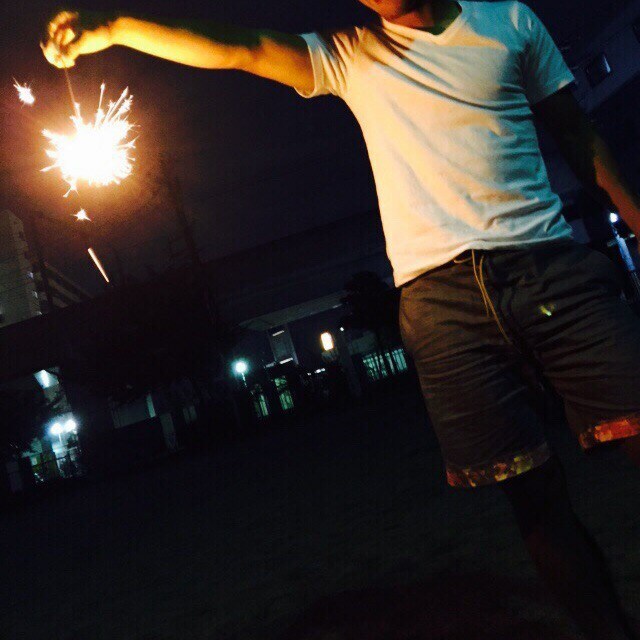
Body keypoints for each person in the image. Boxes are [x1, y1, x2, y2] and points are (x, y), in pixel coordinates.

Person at [43, 2, 640, 637]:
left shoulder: (509, 21)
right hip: (442, 308)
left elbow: (576, 134)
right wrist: (118, 27)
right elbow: (243, 47)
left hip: (549, 267)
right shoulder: (352, 54)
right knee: (534, 502)